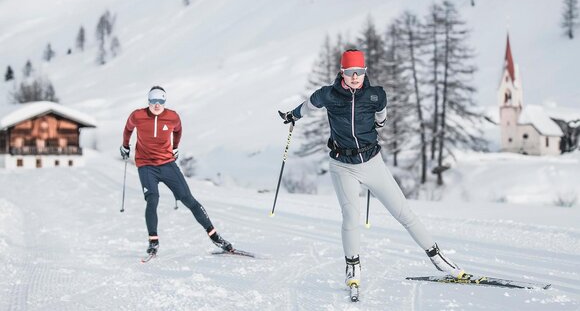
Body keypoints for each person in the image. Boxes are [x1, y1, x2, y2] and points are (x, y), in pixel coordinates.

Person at [278, 49, 464, 289]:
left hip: (372, 163)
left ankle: (438, 259)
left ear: (365, 72)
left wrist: (381, 122)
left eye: (359, 72)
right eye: (350, 72)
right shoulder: (328, 95)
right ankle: (353, 267)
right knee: (350, 217)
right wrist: (292, 115)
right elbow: (308, 105)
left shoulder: (376, 95)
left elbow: (381, 111)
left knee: (404, 213)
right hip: (342, 166)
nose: (355, 77)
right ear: (342, 72)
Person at [121, 86, 233, 256]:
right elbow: (128, 128)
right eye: (153, 100)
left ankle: (215, 237)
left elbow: (178, 131)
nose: (157, 104)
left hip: (167, 164)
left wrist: (175, 147)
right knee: (152, 199)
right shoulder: (137, 115)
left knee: (188, 199)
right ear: (148, 101)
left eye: (160, 101)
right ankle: (153, 242)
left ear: (165, 101)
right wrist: (125, 145)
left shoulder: (172, 117)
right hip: (146, 165)